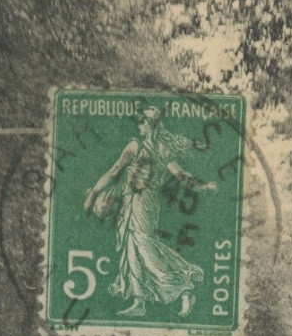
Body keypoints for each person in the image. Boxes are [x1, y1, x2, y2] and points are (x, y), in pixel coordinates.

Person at [82, 105, 216, 318]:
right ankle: (139, 301)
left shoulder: (149, 147)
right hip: (130, 200)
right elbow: (117, 169)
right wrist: (96, 193)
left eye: (142, 122)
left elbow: (181, 176)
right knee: (132, 249)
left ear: (151, 125)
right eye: (139, 122)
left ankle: (184, 288)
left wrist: (203, 187)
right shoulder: (146, 146)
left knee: (145, 247)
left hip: (144, 202)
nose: (139, 125)